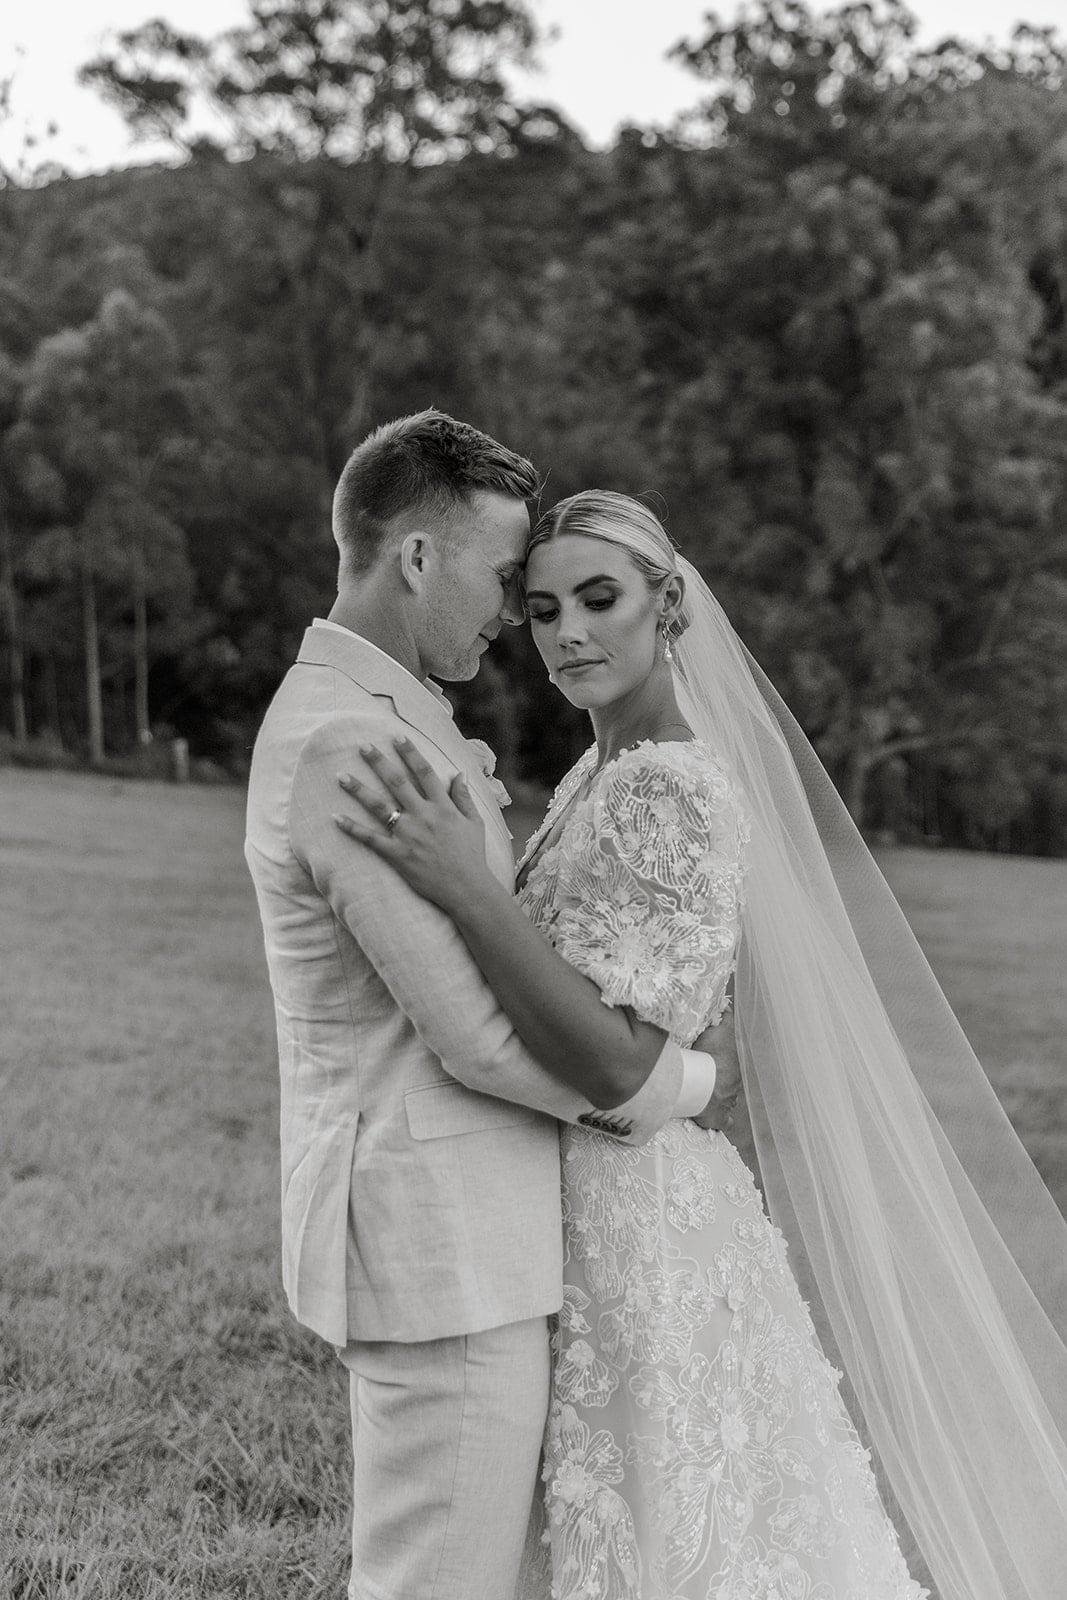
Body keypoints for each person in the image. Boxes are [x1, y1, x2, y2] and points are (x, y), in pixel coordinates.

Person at [335, 489, 1067, 1600]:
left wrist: (464, 888)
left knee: (670, 1530)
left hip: (638, 1225)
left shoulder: (666, 787)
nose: (569, 632)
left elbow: (618, 1059)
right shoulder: (600, 769)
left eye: (599, 598)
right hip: (588, 1198)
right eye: (543, 610)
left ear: (667, 605)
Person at [244, 417, 732, 1600]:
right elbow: (473, 1037)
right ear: (417, 559)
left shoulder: (386, 711)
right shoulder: (353, 737)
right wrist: (684, 1082)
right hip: (440, 1240)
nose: (520, 616)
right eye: (510, 578)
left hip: (481, 1237)